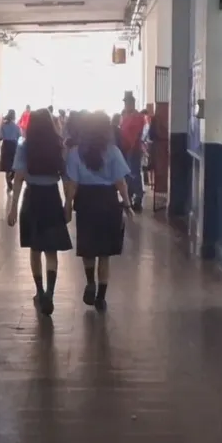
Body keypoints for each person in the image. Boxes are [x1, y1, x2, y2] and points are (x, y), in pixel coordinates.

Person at [63, 111, 133, 312]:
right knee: (104, 252)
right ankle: (101, 297)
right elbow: (120, 182)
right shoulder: (113, 152)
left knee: (88, 247)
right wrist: (127, 204)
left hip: (85, 201)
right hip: (108, 201)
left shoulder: (75, 153)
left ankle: (90, 282)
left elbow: (72, 184)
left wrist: (68, 205)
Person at [6, 109, 73, 316]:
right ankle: (50, 293)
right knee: (51, 250)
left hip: (32, 198)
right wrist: (68, 204)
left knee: (35, 249)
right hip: (52, 198)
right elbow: (67, 179)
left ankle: (40, 291)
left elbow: (18, 178)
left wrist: (13, 208)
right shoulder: (58, 146)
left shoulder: (25, 147)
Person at [118, 93, 147, 211]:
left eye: (127, 103)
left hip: (133, 149)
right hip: (124, 149)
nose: (125, 105)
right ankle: (128, 198)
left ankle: (138, 199)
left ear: (132, 103)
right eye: (125, 103)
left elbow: (137, 134)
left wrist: (131, 147)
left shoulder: (137, 117)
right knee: (126, 174)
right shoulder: (125, 115)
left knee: (134, 174)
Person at [0, 109, 22, 192]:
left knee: (7, 167)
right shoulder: (16, 127)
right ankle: (10, 181)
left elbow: (1, 136)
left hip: (6, 146)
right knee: (14, 166)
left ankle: (9, 184)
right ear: (14, 116)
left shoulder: (3, 125)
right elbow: (19, 137)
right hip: (14, 146)